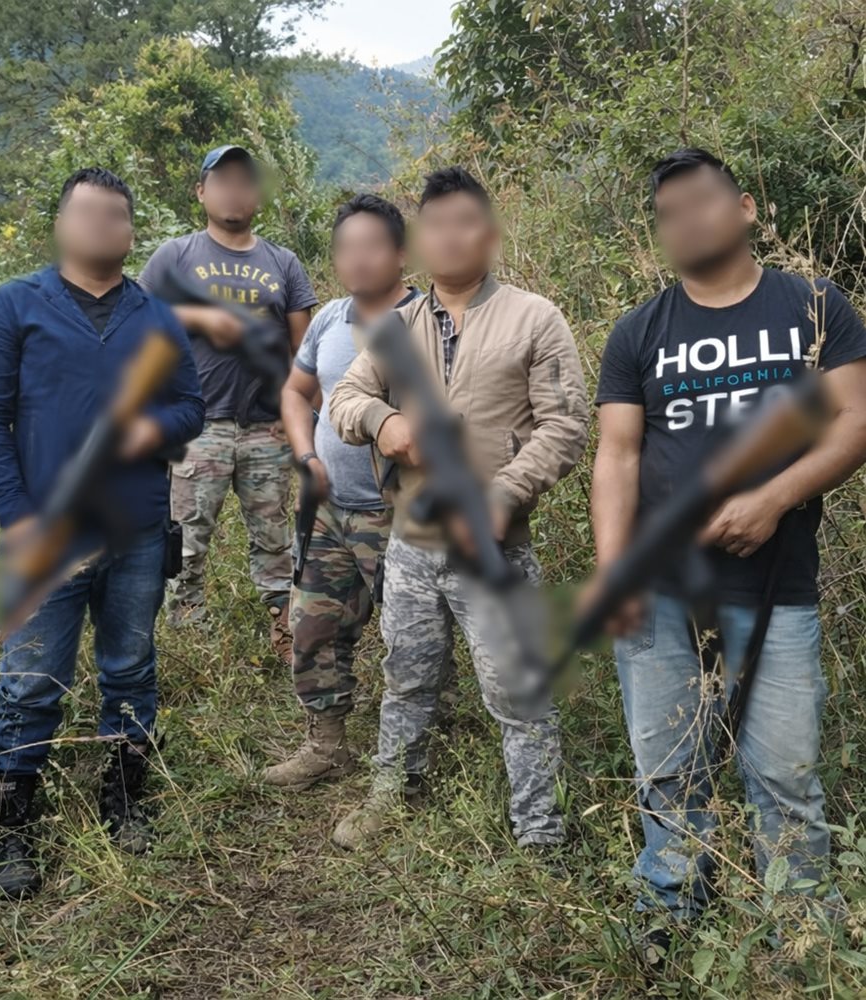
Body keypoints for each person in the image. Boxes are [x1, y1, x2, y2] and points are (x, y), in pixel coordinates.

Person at [591, 148, 866, 945]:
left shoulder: (814, 307)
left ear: (746, 208)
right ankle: (670, 912)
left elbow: (854, 420)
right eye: (668, 213)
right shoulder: (639, 332)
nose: (687, 220)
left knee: (783, 773)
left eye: (702, 201)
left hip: (774, 587)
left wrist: (775, 499)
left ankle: (799, 932)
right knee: (669, 770)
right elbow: (618, 457)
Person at [328, 166, 589, 850]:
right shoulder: (396, 328)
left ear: (489, 233)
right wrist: (383, 420)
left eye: (464, 222)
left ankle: (539, 831)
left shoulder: (533, 317)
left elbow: (565, 426)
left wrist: (507, 492)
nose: (449, 237)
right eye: (435, 224)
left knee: (520, 696)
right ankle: (392, 796)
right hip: (413, 545)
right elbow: (345, 399)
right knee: (406, 678)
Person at [0, 167, 206, 898]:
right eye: (89, 213)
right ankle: (9, 826)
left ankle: (124, 799)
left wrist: (150, 427)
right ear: (62, 224)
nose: (103, 226)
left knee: (130, 667)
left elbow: (190, 407)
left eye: (116, 216)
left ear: (131, 232)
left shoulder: (155, 316)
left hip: (138, 531)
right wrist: (18, 517)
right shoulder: (16, 305)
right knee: (30, 682)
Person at [263, 194, 423, 789]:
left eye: (371, 246)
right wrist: (306, 456)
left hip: (399, 513)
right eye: (346, 247)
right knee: (314, 629)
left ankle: (424, 751)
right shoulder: (330, 318)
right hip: (328, 511)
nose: (357, 258)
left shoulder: (428, 322)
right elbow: (295, 392)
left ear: (401, 254)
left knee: (415, 639)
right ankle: (327, 746)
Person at [139, 145, 318, 656]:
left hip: (267, 429)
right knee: (187, 542)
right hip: (197, 427)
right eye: (222, 181)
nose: (234, 191)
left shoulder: (283, 262)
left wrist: (299, 419)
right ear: (201, 192)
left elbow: (305, 352)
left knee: (275, 539)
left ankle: (285, 634)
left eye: (245, 182)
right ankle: (189, 642)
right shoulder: (175, 257)